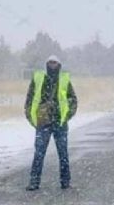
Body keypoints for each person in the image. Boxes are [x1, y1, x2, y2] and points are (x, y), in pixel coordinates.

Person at [24, 56, 78, 191]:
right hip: (43, 122)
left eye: (55, 62)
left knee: (63, 153)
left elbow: (73, 99)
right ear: (46, 64)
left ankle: (65, 182)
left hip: (60, 122)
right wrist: (33, 119)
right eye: (50, 62)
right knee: (39, 153)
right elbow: (29, 100)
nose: (52, 65)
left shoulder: (64, 79)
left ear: (59, 64)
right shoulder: (38, 78)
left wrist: (66, 115)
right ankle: (34, 182)